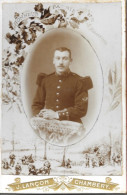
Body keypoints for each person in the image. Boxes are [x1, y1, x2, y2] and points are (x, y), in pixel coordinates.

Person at [32, 47, 93, 123]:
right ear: (53, 61)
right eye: (58, 58)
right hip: (48, 125)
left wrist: (56, 115)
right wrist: (41, 114)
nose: (61, 62)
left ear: (70, 61)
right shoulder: (45, 80)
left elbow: (81, 109)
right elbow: (36, 105)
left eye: (65, 58)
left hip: (71, 127)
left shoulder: (79, 82)